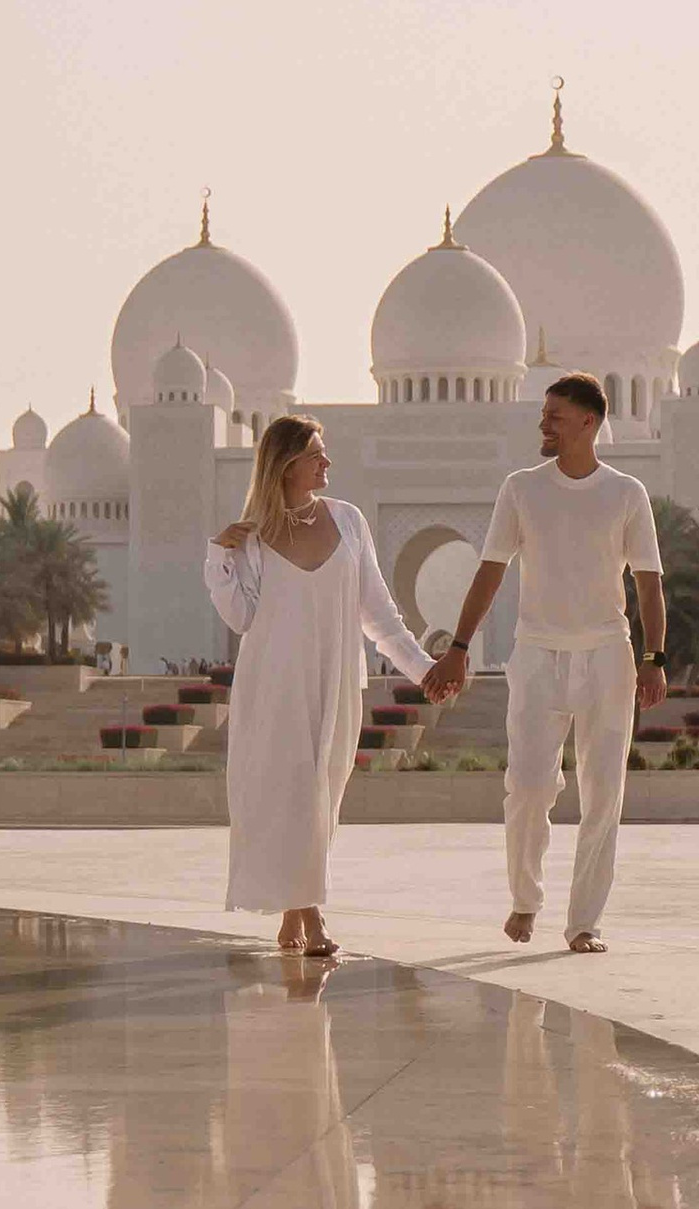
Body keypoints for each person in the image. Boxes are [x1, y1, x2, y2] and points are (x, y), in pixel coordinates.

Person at [420, 373, 666, 951]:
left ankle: (584, 923)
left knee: (604, 794)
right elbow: (491, 570)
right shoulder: (522, 489)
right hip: (536, 655)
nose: (543, 424)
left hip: (608, 655)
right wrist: (458, 648)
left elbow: (650, 585)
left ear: (588, 421)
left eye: (554, 415)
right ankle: (525, 899)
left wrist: (655, 658)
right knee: (529, 785)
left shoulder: (626, 493)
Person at [207, 414, 431, 960]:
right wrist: (219, 557)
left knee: (322, 800)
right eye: (316, 455)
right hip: (273, 687)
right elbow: (239, 618)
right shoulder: (251, 540)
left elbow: (380, 616)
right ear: (287, 466)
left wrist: (425, 670)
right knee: (294, 797)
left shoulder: (349, 522)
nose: (327, 463)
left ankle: (292, 913)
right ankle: (311, 915)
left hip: (334, 685)